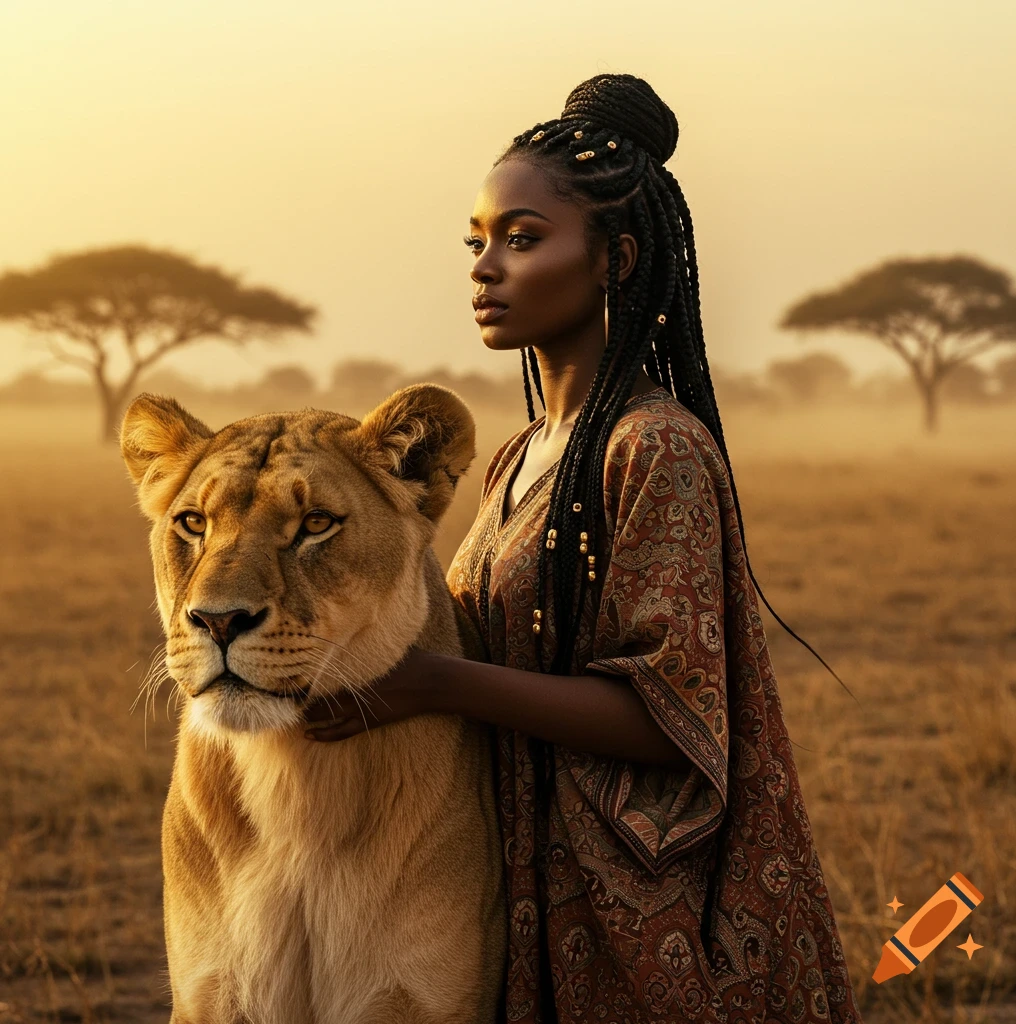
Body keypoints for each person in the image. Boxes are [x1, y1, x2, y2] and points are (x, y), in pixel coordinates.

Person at [305, 73, 863, 1023]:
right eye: (476, 241)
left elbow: (668, 720)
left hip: (643, 911)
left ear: (617, 259)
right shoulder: (522, 453)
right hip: (516, 869)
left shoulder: (656, 448)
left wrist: (428, 685)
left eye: (522, 240)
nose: (485, 267)